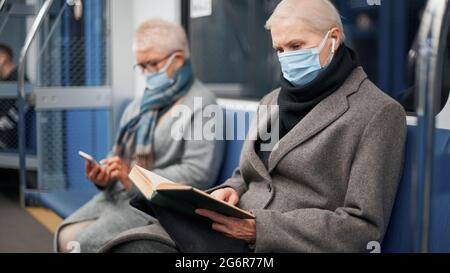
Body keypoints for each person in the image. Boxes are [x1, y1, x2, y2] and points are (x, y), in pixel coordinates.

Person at [100, 0, 407, 253]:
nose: (286, 58)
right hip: (229, 230)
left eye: (297, 45)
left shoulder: (377, 113)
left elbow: (361, 227)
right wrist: (229, 192)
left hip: (278, 244)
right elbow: (245, 175)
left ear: (334, 39)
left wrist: (259, 229)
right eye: (280, 49)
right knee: (133, 244)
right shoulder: (272, 102)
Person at [55, 19, 225, 253]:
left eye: (152, 64)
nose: (146, 73)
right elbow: (118, 155)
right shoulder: (141, 104)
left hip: (159, 206)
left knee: (81, 243)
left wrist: (132, 177)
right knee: (65, 235)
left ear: (177, 59)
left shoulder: (203, 104)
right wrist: (104, 175)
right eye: (141, 66)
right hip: (120, 196)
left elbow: (199, 173)